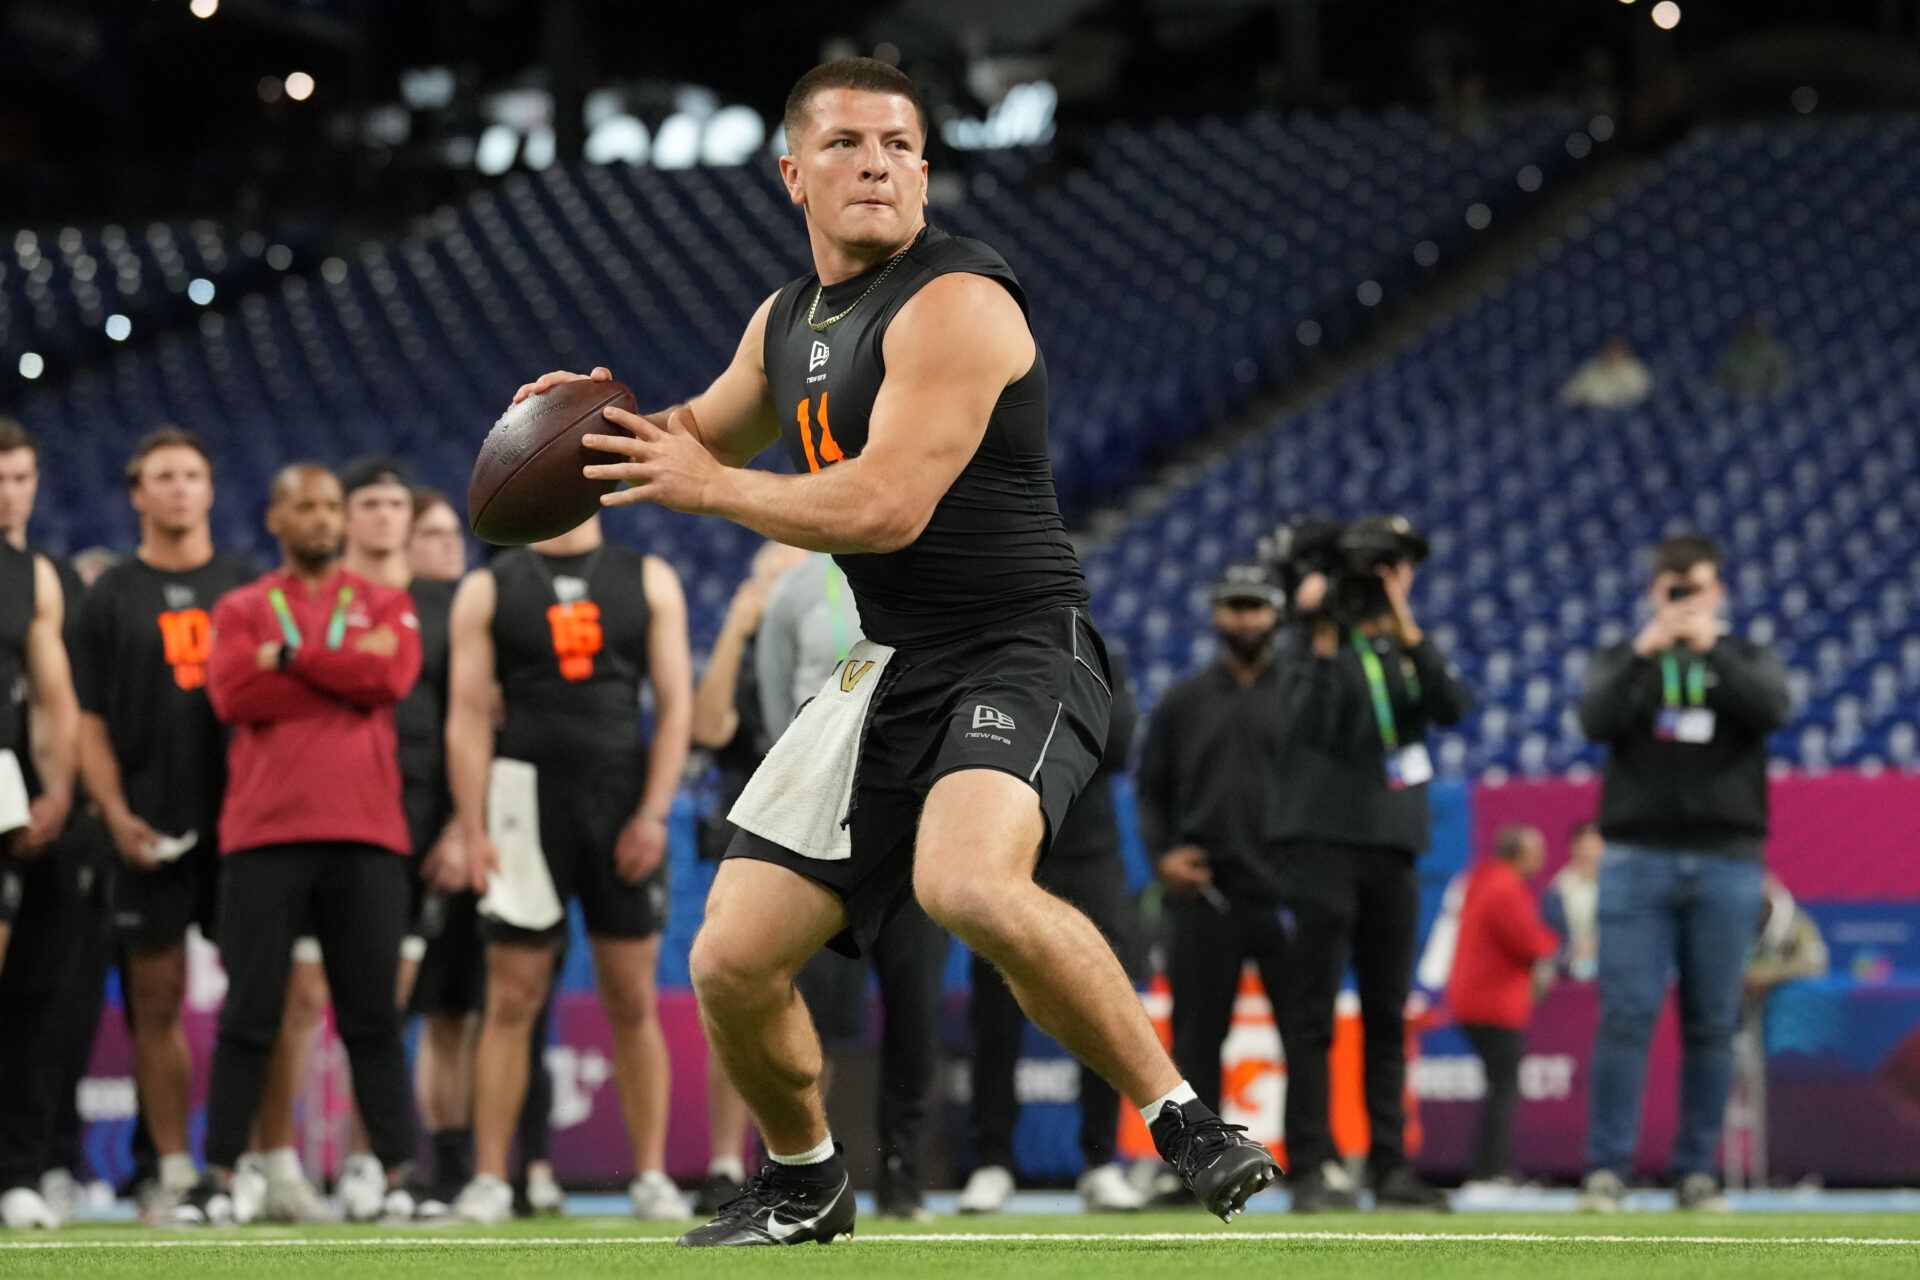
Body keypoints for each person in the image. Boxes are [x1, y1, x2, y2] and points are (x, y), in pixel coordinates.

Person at [518, 55, 1277, 1246]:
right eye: (846, 144)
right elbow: (687, 434)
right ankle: (806, 1180)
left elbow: (883, 508)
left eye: (899, 145)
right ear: (792, 174)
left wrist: (713, 489)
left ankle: (1184, 1118)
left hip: (1021, 647)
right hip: (887, 667)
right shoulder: (785, 320)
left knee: (964, 882)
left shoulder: (960, 301)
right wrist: (579, 434)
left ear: (925, 171)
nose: (876, 162)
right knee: (728, 958)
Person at [71, 430, 344, 1224]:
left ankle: (275, 1167)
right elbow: (87, 722)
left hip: (248, 828)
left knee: (272, 1000)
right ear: (137, 493)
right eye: (164, 477)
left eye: (193, 475)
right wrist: (115, 813)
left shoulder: (250, 586)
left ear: (213, 492)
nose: (180, 490)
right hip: (147, 826)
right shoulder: (109, 595)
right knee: (155, 1001)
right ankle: (175, 1170)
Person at [190, 462, 425, 1227]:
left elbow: (388, 679)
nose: (323, 518)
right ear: (275, 520)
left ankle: (396, 1177)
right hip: (264, 834)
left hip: (367, 835)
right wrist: (341, 672)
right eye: (306, 506)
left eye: (331, 506)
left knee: (371, 1019)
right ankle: (219, 1179)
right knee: (249, 1017)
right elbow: (231, 693)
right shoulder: (239, 606)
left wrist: (289, 659)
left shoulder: (389, 600)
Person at [444, 513, 692, 1224]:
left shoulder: (647, 577)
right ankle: (491, 1178)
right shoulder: (491, 587)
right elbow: (465, 713)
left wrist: (652, 812)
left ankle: (649, 1176)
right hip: (522, 805)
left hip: (620, 804)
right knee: (511, 995)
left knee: (632, 995)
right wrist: (471, 824)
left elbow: (674, 706)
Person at [1575, 532, 1790, 1213]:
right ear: (1652, 592)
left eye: (1694, 588)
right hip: (1637, 857)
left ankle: (1696, 1171)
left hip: (1727, 859)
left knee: (1712, 1022)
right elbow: (1593, 719)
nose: (1683, 601)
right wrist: (1645, 652)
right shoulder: (1626, 659)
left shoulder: (1745, 656)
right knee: (1627, 1015)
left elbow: (1773, 710)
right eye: (1672, 590)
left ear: (1718, 591)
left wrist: (1709, 648)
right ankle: (1607, 1171)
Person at [1271, 517, 1470, 1213]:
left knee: (1387, 1013)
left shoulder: (1400, 647)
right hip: (1321, 840)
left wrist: (1407, 624)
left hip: (1392, 843)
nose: (1380, 583)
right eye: (1373, 571)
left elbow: (1453, 706)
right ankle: (1311, 1167)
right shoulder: (1305, 644)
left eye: (1394, 569)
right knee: (1314, 1014)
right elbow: (1306, 727)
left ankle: (1389, 1167)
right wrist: (1323, 639)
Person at [757, 551, 951, 1221]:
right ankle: (807, 1164)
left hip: (916, 818)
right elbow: (776, 702)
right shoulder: (797, 588)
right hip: (822, 818)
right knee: (797, 1002)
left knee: (916, 1004)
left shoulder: (941, 569)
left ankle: (901, 1172)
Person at [324, 458, 473, 1220]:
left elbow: (469, 720)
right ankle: (348, 1164)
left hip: (425, 819)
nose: (386, 523)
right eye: (373, 507)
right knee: (356, 998)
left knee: (419, 1004)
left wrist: (460, 825)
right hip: (343, 816)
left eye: (396, 509)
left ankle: (403, 1167)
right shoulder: (326, 602)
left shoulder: (446, 607)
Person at [961, 643, 1144, 1215]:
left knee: (1099, 1005)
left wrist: (1030, 722)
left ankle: (1100, 1161)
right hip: (1005, 851)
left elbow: (1115, 746)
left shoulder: (1103, 656)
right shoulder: (991, 651)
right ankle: (992, 1160)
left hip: (1088, 855)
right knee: (995, 1013)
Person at [1129, 565, 1288, 1163]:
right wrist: (1162, 856)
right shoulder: (1183, 700)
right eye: (1234, 605)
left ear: (1276, 613)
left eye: (1256, 605)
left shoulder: (1301, 693)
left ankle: (1316, 1171)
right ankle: (1196, 1166)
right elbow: (1150, 792)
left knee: (1305, 1033)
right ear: (1217, 613)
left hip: (1283, 894)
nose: (1245, 617)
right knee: (1197, 1038)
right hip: (1204, 891)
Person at [687, 540, 807, 1214]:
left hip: (826, 828)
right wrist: (736, 626)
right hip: (755, 835)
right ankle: (725, 1162)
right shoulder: (746, 657)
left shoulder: (833, 646)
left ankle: (810, 1157)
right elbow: (708, 728)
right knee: (737, 998)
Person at [0, 436, 80, 1230]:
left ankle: (18, 1170)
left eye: (21, 478)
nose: (10, 495)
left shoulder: (36, 576)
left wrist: (56, 787)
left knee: (29, 990)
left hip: (6, 783)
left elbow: (53, 692)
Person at [1446, 825, 1560, 1188]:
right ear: (1520, 854)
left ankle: (1488, 1167)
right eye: (1536, 853)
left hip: (1474, 1000)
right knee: (1503, 1090)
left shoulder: (1483, 881)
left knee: (1499, 1088)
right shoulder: (1505, 888)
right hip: (1494, 1005)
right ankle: (1491, 1170)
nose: (1541, 861)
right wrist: (1553, 944)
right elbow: (1529, 942)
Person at [1546, 821, 1603, 982]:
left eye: (1595, 847)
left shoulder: (1617, 888)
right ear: (1574, 848)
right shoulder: (1559, 890)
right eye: (1585, 847)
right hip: (1568, 967)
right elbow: (1550, 936)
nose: (1590, 853)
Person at [1559, 334, 1652, 410]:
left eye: (1618, 349)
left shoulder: (1635, 371)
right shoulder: (1591, 369)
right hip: (1593, 418)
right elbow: (1567, 395)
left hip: (1625, 417)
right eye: (1611, 348)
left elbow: (1644, 395)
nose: (1613, 353)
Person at [1715, 316, 1791, 400]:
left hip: (1766, 400)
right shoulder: (1732, 352)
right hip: (1736, 400)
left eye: (1755, 332)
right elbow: (1722, 379)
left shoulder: (1773, 352)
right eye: (1749, 332)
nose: (1752, 336)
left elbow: (1781, 381)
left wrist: (1767, 390)